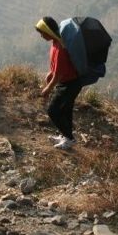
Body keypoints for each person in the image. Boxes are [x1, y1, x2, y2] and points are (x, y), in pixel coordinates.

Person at [36, 16, 82, 150]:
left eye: (42, 33)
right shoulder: (56, 42)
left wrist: (47, 89)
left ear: (48, 31)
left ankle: (70, 139)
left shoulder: (60, 47)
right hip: (69, 82)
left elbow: (59, 74)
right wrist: (50, 73)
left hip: (70, 83)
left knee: (53, 111)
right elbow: (57, 68)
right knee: (65, 110)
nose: (41, 36)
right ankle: (65, 136)